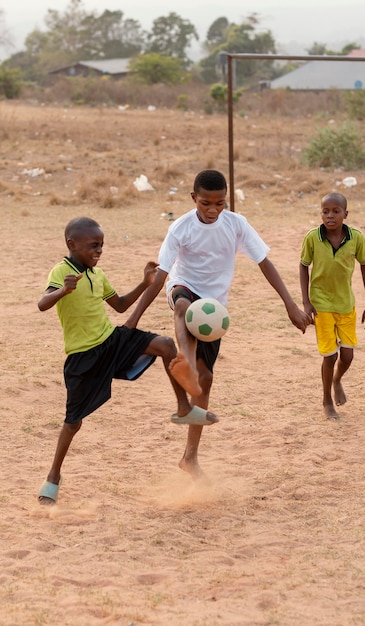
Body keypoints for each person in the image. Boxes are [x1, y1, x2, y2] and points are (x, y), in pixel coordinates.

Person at [126, 169, 312, 479]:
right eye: (205, 203)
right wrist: (133, 319)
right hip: (184, 287)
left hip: (214, 310)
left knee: (206, 380)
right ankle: (183, 359)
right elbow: (161, 275)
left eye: (219, 204)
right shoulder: (180, 228)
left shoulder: (236, 225)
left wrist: (290, 304)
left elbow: (264, 261)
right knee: (183, 306)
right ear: (193, 199)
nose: (212, 210)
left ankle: (190, 457)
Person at [37, 216, 217, 505]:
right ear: (72, 244)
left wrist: (145, 283)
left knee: (165, 345)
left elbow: (119, 305)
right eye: (93, 246)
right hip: (83, 357)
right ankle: (53, 477)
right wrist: (63, 290)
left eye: (102, 246)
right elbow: (42, 304)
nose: (99, 251)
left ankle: (183, 408)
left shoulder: (98, 274)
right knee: (73, 423)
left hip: (111, 341)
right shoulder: (61, 272)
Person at [300, 192, 365, 420]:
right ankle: (327, 401)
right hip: (321, 304)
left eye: (335, 211)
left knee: (347, 357)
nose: (330, 216)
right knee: (330, 356)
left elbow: (364, 266)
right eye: (325, 211)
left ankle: (337, 380)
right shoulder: (312, 237)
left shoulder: (356, 238)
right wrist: (306, 302)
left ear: (345, 214)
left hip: (346, 304)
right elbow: (303, 265)